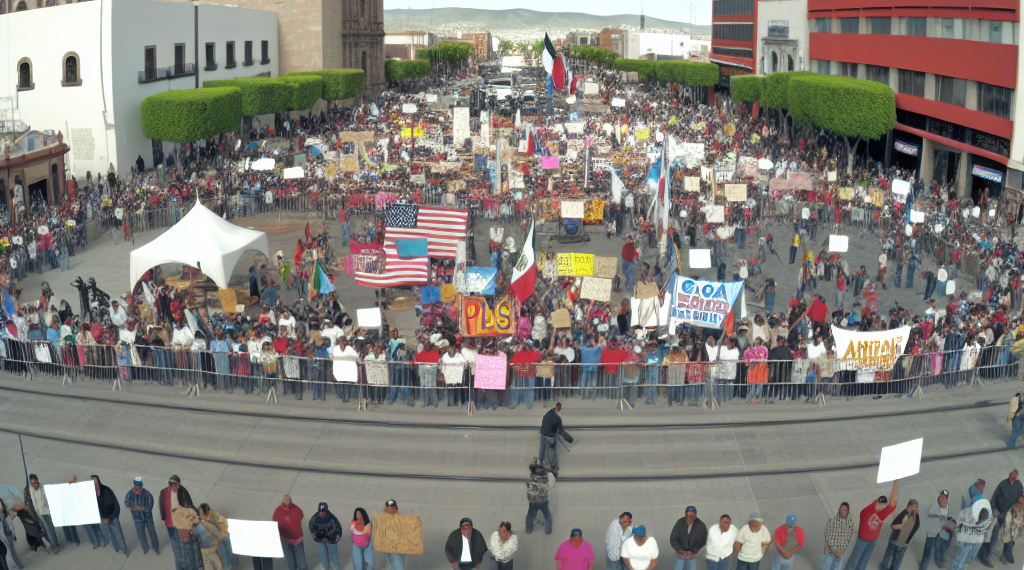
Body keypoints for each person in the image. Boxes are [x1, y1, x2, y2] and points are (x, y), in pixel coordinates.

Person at [845, 480, 899, 570]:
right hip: (862, 540)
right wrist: (875, 502)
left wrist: (896, 482)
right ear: (878, 503)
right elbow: (862, 513)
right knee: (854, 560)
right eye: (884, 504)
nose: (886, 505)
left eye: (886, 504)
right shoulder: (867, 512)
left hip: (872, 541)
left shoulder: (882, 513)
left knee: (864, 562)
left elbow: (892, 504)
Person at [977, 469, 1024, 567]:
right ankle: (983, 554)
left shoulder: (1019, 486)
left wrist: (1017, 508)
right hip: (998, 513)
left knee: (1012, 534)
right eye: (1012, 475)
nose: (1013, 478)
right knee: (992, 536)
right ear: (1009, 476)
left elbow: (1020, 497)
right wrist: (994, 511)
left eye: (1015, 476)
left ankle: (1007, 553)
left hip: (1009, 514)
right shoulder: (1003, 484)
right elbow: (994, 497)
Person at [160, 474, 196, 569]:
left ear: (179, 484)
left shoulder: (183, 492)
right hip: (170, 526)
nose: (174, 487)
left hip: (181, 527)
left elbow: (189, 507)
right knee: (176, 550)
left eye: (176, 485)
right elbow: (162, 506)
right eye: (172, 485)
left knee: (186, 549)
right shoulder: (163, 493)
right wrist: (165, 517)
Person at [374, 499, 420, 570]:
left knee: (397, 563)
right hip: (389, 545)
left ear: (394, 508)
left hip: (397, 545)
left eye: (389, 507)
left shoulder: (400, 519)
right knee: (393, 562)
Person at [91, 475, 128, 557]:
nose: (94, 482)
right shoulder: (92, 493)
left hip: (112, 516)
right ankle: (116, 548)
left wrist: (110, 518)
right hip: (104, 518)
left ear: (98, 480)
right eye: (93, 480)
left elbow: (115, 505)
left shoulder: (106, 490)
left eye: (95, 480)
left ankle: (124, 550)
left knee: (118, 534)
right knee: (111, 535)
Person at [952, 499, 994, 570]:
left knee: (970, 557)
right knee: (960, 559)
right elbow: (958, 522)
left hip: (977, 540)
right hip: (966, 539)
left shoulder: (988, 517)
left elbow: (988, 528)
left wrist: (986, 539)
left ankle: (964, 566)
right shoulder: (968, 512)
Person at [878, 500, 919, 570]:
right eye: (912, 506)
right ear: (908, 507)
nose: (914, 508)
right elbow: (893, 525)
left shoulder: (915, 518)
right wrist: (900, 526)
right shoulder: (903, 514)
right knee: (889, 556)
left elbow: (916, 527)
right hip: (895, 540)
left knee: (897, 560)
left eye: (916, 507)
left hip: (904, 543)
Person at [124, 476, 160, 555]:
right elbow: (126, 502)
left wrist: (144, 508)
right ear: (134, 486)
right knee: (141, 534)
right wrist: (133, 508)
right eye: (137, 487)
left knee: (152, 532)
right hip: (137, 518)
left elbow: (151, 502)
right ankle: (146, 549)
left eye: (140, 487)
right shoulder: (130, 494)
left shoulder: (146, 493)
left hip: (147, 516)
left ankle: (156, 548)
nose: (139, 489)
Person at [25, 474, 58, 554]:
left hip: (47, 511)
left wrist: (39, 489)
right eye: (31, 481)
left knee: (51, 529)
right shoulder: (30, 490)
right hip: (40, 513)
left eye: (34, 481)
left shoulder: (42, 488)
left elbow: (46, 499)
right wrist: (37, 513)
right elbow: (34, 502)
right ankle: (53, 546)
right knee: (46, 530)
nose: (33, 483)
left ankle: (56, 544)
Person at [272, 495, 307, 570]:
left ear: (290, 501)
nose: (286, 500)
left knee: (301, 562)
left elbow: (301, 515)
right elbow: (274, 520)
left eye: (287, 499)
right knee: (291, 561)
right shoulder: (278, 510)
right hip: (285, 539)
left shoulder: (296, 509)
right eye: (285, 499)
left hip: (297, 539)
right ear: (282, 500)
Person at [920, 491, 951, 570]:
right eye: (942, 497)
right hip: (931, 532)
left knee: (938, 548)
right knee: (927, 552)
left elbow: (945, 516)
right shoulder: (934, 505)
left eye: (945, 498)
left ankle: (938, 561)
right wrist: (942, 509)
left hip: (938, 532)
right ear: (939, 497)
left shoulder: (945, 506)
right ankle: (923, 567)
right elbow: (931, 512)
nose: (944, 499)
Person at [669, 506, 707, 570]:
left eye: (692, 516)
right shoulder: (680, 522)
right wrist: (679, 549)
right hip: (680, 555)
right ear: (685, 516)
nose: (690, 518)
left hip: (691, 555)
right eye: (688, 516)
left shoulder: (701, 525)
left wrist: (693, 551)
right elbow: (673, 537)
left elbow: (702, 540)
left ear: (695, 516)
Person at [309, 502, 342, 570]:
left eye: (323, 511)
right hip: (320, 539)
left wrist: (335, 539)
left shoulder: (332, 518)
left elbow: (338, 529)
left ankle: (335, 567)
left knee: (333, 553)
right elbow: (311, 528)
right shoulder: (314, 518)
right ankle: (325, 567)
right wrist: (316, 537)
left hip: (331, 539)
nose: (321, 512)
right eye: (320, 511)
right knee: (322, 553)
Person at [199, 503, 234, 570]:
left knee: (224, 556)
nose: (200, 515)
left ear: (206, 512)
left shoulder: (210, 520)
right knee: (226, 555)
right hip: (223, 536)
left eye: (202, 514)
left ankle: (228, 566)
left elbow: (215, 532)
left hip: (223, 537)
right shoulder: (214, 515)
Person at [526, 460, 555, 535]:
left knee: (530, 515)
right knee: (547, 515)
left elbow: (528, 484)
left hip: (533, 499)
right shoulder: (545, 475)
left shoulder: (532, 475)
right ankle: (548, 530)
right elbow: (551, 483)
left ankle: (529, 529)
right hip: (543, 499)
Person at [539, 402, 570, 472]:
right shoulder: (557, 418)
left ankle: (540, 463)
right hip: (550, 436)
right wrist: (569, 439)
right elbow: (561, 430)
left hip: (543, 434)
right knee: (551, 451)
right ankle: (553, 466)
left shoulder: (547, 414)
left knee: (542, 449)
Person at [823, 503, 854, 570]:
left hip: (840, 552)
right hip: (831, 550)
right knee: (826, 566)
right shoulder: (833, 520)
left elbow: (847, 539)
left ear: (848, 511)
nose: (842, 511)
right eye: (841, 509)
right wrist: (833, 548)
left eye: (845, 510)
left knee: (837, 568)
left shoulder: (850, 524)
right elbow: (826, 533)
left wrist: (839, 551)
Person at [999, 495, 1024, 564]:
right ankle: (1004, 555)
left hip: (1016, 527)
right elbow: (1009, 519)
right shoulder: (1015, 507)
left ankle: (1008, 553)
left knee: (1013, 541)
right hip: (1010, 524)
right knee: (1008, 540)